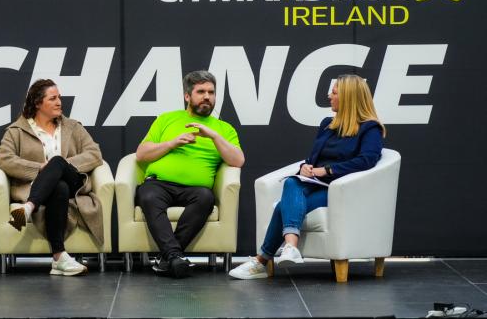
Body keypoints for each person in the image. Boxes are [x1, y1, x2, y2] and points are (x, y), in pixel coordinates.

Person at [228, 74, 385, 280]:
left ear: (348, 97)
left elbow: (367, 160)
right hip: (313, 183)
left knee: (282, 206)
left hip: (341, 191)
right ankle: (290, 248)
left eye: (334, 92)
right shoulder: (327, 124)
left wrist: (327, 170)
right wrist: (305, 167)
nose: (329, 96)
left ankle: (262, 261)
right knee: (292, 181)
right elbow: (312, 158)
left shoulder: (370, 128)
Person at [135, 70, 245, 278]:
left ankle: (169, 258)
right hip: (159, 184)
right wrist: (172, 143)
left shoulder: (224, 129)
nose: (207, 97)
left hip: (196, 190)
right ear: (187, 96)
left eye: (211, 92)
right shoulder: (167, 119)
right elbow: (141, 154)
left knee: (206, 198)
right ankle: (174, 257)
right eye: (201, 92)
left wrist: (213, 136)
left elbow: (238, 160)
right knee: (148, 196)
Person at [0, 79, 104, 276]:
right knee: (59, 187)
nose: (59, 102)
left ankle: (28, 208)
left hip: (74, 184)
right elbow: (4, 159)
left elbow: (94, 154)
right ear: (38, 103)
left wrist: (61, 164)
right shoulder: (17, 130)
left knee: (58, 163)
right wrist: (39, 168)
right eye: (52, 98)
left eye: (59, 97)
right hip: (43, 189)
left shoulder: (73, 127)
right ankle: (59, 257)